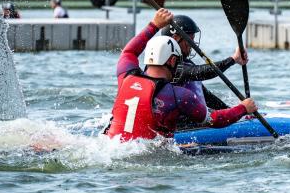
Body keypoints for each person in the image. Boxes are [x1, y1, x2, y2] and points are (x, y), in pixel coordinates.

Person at [106, 8, 257, 142]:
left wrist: (153, 25)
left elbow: (129, 52)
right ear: (172, 60)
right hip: (151, 151)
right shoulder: (178, 94)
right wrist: (242, 109)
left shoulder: (126, 77)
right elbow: (214, 120)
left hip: (111, 145)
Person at [161, 15, 248, 110]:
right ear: (175, 38)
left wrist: (232, 111)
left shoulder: (186, 63)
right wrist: (233, 59)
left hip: (194, 119)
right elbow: (201, 72)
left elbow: (206, 97)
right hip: (180, 123)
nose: (193, 44)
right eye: (190, 40)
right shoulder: (167, 65)